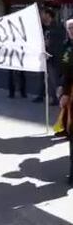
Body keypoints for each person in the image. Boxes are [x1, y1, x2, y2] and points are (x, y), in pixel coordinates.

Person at [33, 8, 64, 105]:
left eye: (44, 14)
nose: (42, 16)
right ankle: (47, 96)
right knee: (46, 78)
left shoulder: (56, 28)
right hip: (46, 56)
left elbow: (55, 44)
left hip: (52, 57)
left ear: (48, 15)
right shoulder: (47, 27)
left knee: (53, 79)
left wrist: (48, 47)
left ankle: (56, 98)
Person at [57, 18, 73, 184]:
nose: (71, 30)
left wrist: (66, 92)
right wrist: (62, 87)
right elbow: (65, 70)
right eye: (69, 28)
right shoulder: (67, 46)